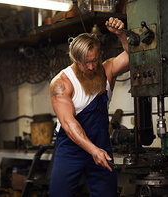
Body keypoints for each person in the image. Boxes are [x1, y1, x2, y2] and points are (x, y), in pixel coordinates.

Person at [49, 17, 129, 197]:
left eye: (94, 60)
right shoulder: (61, 83)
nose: (92, 66)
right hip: (71, 148)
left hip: (101, 145)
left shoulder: (107, 69)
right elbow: (68, 123)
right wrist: (93, 151)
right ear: (75, 58)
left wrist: (121, 35)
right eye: (86, 63)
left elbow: (134, 57)